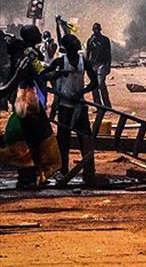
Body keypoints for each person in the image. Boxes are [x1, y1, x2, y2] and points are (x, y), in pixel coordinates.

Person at [0, 25, 61, 187]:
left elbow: (39, 72)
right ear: (31, 36)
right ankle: (30, 176)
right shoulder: (28, 55)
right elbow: (39, 73)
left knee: (29, 138)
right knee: (33, 138)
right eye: (37, 33)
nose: (40, 35)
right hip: (27, 100)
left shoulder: (23, 54)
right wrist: (55, 74)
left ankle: (30, 175)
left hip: (24, 99)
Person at [44, 34, 97, 175]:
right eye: (74, 40)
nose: (78, 42)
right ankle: (63, 170)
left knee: (85, 139)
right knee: (63, 140)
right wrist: (57, 74)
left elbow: (94, 82)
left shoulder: (84, 62)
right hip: (64, 106)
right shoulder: (60, 62)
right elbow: (44, 76)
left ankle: (89, 171)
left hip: (80, 105)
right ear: (67, 46)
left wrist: (81, 93)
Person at [86, 23, 112, 111]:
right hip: (93, 65)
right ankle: (98, 106)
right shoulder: (90, 41)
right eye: (95, 30)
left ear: (100, 30)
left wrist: (108, 66)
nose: (96, 31)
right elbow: (88, 54)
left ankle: (107, 105)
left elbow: (109, 54)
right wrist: (87, 66)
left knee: (101, 84)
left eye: (97, 29)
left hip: (102, 64)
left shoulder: (105, 40)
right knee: (94, 86)